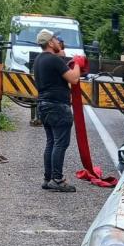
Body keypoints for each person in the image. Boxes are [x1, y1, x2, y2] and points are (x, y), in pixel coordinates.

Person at [32, 28, 80, 192]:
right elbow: (73, 79)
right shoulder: (53, 60)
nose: (59, 42)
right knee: (60, 143)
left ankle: (48, 178)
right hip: (57, 106)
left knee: (51, 142)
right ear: (50, 42)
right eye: (56, 39)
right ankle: (57, 179)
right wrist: (78, 63)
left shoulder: (39, 60)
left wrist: (61, 56)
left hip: (43, 105)